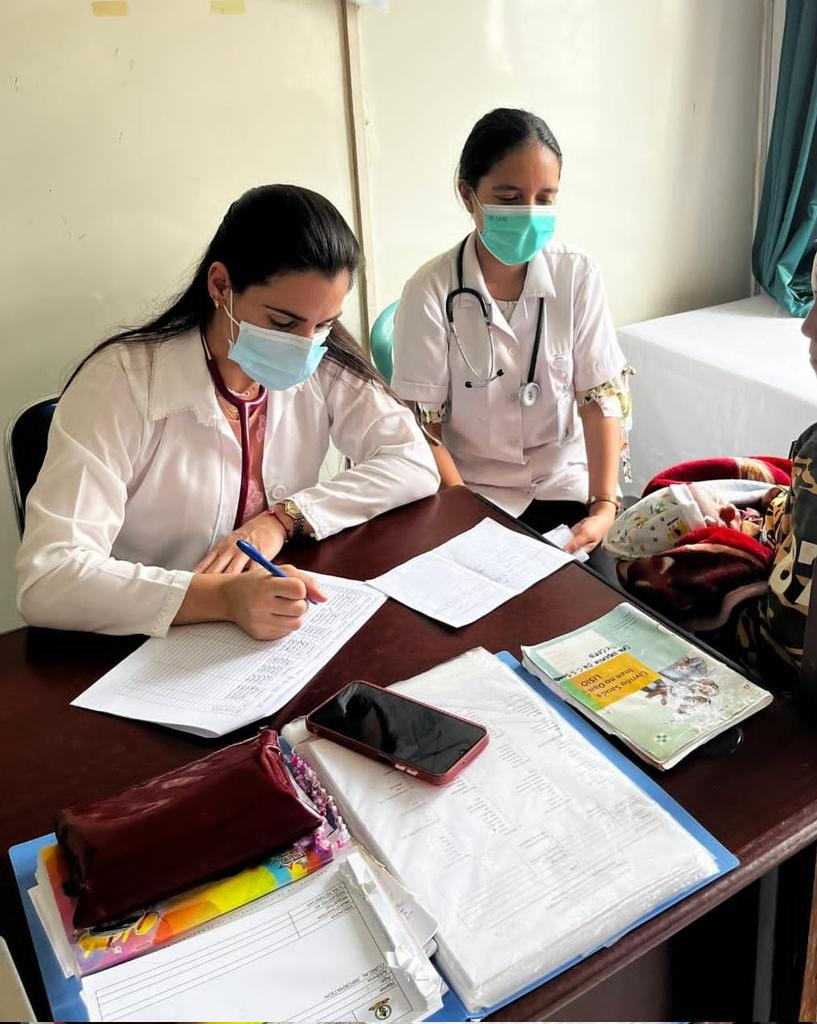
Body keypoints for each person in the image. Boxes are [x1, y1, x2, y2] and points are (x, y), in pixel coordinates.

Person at [16, 185, 440, 639]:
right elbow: (48, 578)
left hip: (269, 626)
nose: (306, 344)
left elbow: (413, 461)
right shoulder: (122, 383)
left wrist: (284, 517)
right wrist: (221, 597)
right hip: (144, 641)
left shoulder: (322, 359)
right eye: (283, 323)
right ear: (221, 285)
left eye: (325, 324)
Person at [392, 108, 631, 569]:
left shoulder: (577, 275)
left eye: (545, 198)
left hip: (565, 484)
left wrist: (603, 507)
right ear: (469, 195)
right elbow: (424, 427)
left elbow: (600, 398)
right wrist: (465, 512)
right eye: (510, 197)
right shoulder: (429, 291)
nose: (529, 214)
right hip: (470, 488)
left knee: (589, 600)